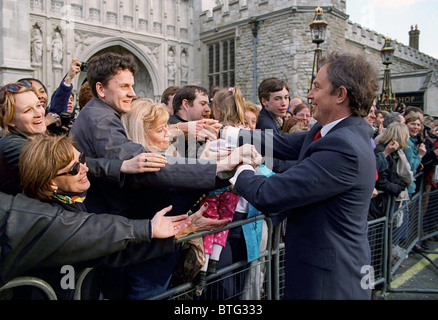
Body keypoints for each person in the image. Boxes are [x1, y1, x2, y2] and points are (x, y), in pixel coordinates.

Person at [69, 52, 252, 299]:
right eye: (124, 86)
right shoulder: (101, 118)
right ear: (100, 89)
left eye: (132, 86)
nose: (132, 93)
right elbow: (149, 165)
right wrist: (214, 169)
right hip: (117, 236)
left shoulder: (100, 114)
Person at [222, 51, 379, 299]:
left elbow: (270, 193)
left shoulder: (343, 147)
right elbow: (283, 143)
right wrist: (226, 134)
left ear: (340, 94)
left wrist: (239, 165)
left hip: (329, 281)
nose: (309, 95)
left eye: (317, 87)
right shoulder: (332, 130)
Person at [14, 134, 193, 299]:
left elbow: (106, 249)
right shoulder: (51, 221)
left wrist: (176, 233)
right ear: (51, 182)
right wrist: (153, 230)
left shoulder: (73, 200)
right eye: (74, 168)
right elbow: (103, 247)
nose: (85, 168)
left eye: (82, 159)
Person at [0, 80, 165, 196]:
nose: (39, 114)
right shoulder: (12, 146)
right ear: (10, 120)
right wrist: (121, 166)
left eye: (39, 106)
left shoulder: (34, 134)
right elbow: (64, 163)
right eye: (27, 110)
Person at [403, 112, 427, 196]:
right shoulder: (407, 143)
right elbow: (411, 167)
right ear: (405, 125)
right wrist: (420, 155)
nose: (416, 127)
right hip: (405, 188)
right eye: (413, 124)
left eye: (418, 125)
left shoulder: (413, 141)